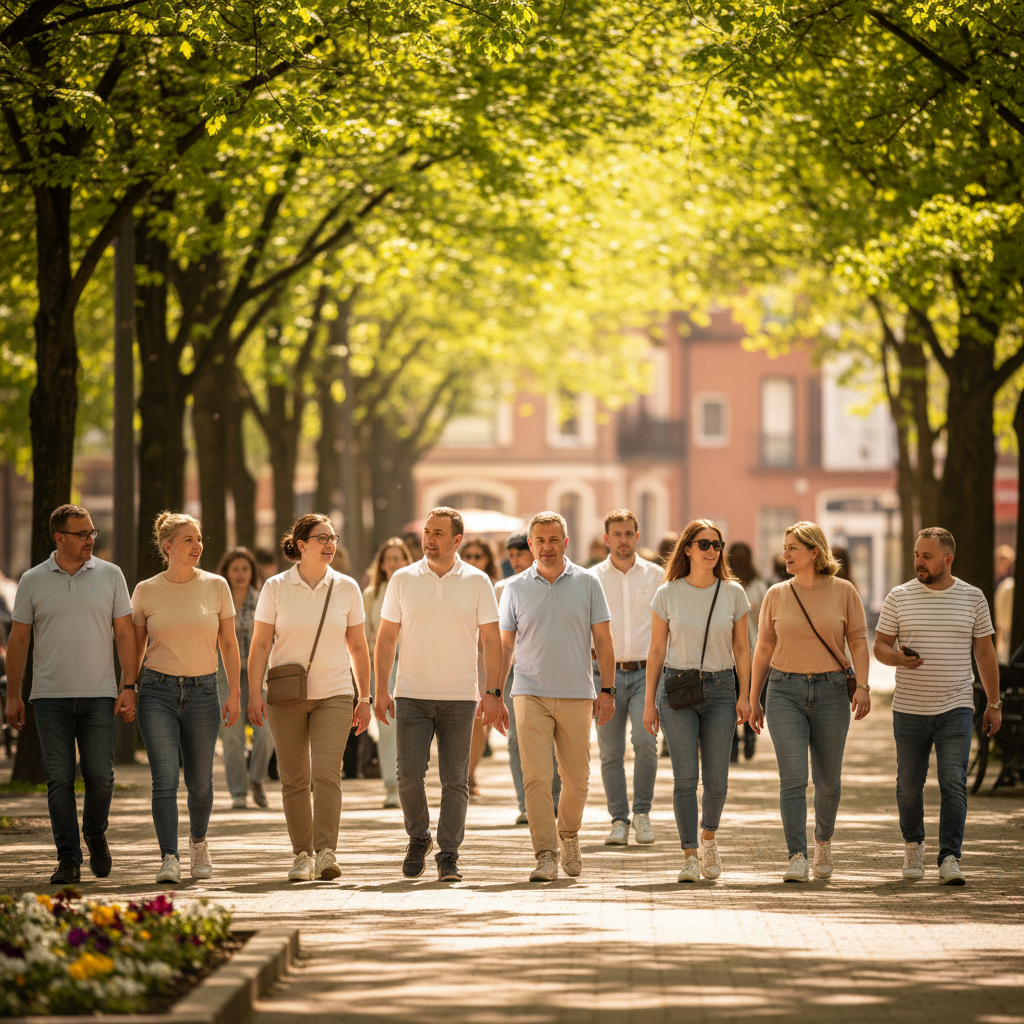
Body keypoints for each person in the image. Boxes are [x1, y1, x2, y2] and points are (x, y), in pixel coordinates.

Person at [4, 505, 138, 885]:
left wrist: (129, 686)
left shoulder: (112, 575)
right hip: (49, 698)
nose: (90, 540)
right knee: (59, 780)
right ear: (59, 538)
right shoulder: (32, 580)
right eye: (82, 534)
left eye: (92, 532)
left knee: (101, 777)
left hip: (99, 695)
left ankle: (95, 833)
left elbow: (125, 633)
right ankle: (68, 859)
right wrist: (14, 694)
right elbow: (19, 638)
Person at [374, 508, 502, 882]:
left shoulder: (478, 582)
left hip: (460, 697)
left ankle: (449, 854)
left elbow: (493, 640)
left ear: (457, 540)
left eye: (439, 533)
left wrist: (493, 691)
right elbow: (385, 637)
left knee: (455, 780)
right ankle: (419, 837)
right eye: (427, 532)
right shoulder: (402, 579)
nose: (429, 539)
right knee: (409, 777)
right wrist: (380, 689)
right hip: (411, 694)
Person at [873, 527, 1001, 885]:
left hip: (956, 706)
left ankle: (950, 858)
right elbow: (880, 646)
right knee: (908, 787)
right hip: (910, 707)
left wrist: (994, 702)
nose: (918, 562)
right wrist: (898, 658)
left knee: (953, 782)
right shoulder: (899, 597)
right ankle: (913, 845)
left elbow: (984, 651)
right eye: (916, 554)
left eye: (926, 556)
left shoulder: (973, 598)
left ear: (948, 559)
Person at [247, 514, 371, 882]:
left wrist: (364, 697)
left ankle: (327, 852)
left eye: (332, 537)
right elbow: (260, 644)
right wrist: (254, 693)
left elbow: (358, 646)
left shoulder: (347, 587)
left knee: (328, 773)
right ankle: (302, 854)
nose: (330, 544)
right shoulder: (276, 587)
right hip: (285, 695)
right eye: (321, 538)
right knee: (294, 778)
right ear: (301, 545)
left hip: (334, 692)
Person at [747, 521, 870, 883]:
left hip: (833, 691)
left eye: (792, 548)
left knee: (828, 782)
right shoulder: (776, 594)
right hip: (784, 690)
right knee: (793, 779)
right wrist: (754, 698)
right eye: (785, 547)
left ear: (814, 552)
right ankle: (797, 855)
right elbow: (764, 648)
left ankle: (823, 842)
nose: (784, 554)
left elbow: (859, 641)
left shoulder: (844, 591)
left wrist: (862, 685)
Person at [499, 511, 615, 882]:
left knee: (578, 779)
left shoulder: (588, 582)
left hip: (577, 693)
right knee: (535, 776)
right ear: (530, 544)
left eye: (554, 540)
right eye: (540, 540)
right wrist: (492, 693)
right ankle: (545, 854)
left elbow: (603, 639)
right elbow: (504, 646)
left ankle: (568, 834)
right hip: (528, 692)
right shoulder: (514, 588)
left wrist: (608, 689)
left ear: (566, 543)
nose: (546, 547)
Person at [131, 512, 241, 884]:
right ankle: (169, 857)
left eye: (199, 538)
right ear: (168, 547)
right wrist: (128, 687)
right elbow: (136, 645)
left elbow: (228, 642)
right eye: (189, 539)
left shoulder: (216, 586)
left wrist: (235, 693)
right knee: (164, 779)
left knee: (201, 783)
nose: (198, 545)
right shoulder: (146, 590)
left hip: (203, 691)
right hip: (157, 692)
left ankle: (198, 842)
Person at [643, 520, 750, 882]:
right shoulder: (667, 594)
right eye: (703, 544)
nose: (711, 550)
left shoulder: (733, 593)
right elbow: (656, 650)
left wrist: (746, 696)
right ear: (687, 549)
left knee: (717, 779)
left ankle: (709, 839)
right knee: (685, 777)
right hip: (677, 688)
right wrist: (648, 703)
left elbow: (742, 649)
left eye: (717, 545)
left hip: (721, 689)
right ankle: (690, 854)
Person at [590, 509, 663, 846]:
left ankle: (643, 813)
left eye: (628, 533)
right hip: (604, 674)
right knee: (610, 751)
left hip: (646, 673)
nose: (623, 540)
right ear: (606, 538)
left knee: (646, 743)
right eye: (616, 534)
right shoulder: (590, 579)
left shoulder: (657, 576)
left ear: (638, 535)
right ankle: (619, 819)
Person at [498, 530, 561, 825]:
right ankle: (526, 804)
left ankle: (556, 800)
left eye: (519, 554)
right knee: (515, 740)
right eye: (510, 557)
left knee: (552, 739)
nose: (514, 561)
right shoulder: (502, 588)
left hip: (549, 672)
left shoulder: (554, 583)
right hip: (513, 674)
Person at [216, 547, 274, 809]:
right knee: (232, 734)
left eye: (245, 569)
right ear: (227, 571)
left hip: (258, 673)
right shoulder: (216, 598)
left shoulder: (263, 599)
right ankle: (238, 791)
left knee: (266, 731)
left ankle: (257, 779)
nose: (240, 574)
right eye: (235, 569)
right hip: (225, 673)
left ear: (252, 572)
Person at [363, 537, 413, 808]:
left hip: (412, 666)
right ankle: (391, 786)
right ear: (381, 564)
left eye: (398, 557)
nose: (393, 563)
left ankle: (412, 782)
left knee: (412, 726)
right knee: (386, 728)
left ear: (407, 560)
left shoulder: (416, 589)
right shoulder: (371, 596)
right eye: (388, 558)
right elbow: (365, 636)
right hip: (383, 667)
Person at [460, 536, 501, 796]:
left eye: (478, 556)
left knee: (479, 723)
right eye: (469, 556)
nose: (473, 561)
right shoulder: (458, 585)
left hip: (486, 663)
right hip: (461, 660)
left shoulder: (496, 588)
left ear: (488, 559)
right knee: (463, 722)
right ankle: (463, 773)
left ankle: (469, 773)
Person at [727, 541, 767, 762]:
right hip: (738, 651)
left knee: (743, 697)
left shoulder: (753, 585)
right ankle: (740, 741)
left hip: (747, 651)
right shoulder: (730, 585)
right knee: (740, 698)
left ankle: (743, 739)